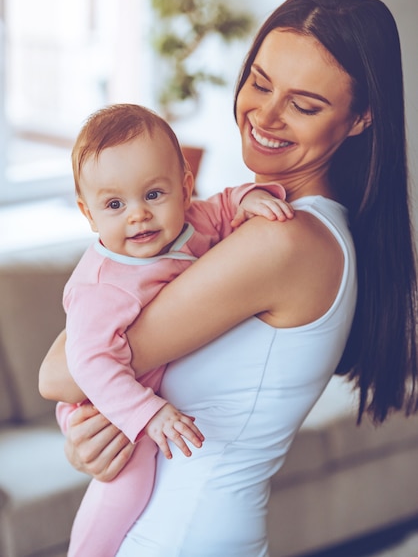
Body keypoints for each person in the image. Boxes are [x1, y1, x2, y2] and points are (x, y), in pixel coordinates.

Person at [39, 0, 418, 557]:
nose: (265, 115)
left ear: (361, 118)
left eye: (304, 104)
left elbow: (59, 373)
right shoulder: (262, 221)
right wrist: (94, 440)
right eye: (260, 83)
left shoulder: (282, 242)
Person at [55, 102, 292, 557]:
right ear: (89, 214)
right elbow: (86, 362)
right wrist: (147, 413)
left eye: (153, 195)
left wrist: (246, 198)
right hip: (101, 400)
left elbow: (221, 210)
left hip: (137, 384)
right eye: (114, 204)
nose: (138, 215)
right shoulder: (102, 287)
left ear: (184, 187)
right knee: (129, 478)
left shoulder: (190, 224)